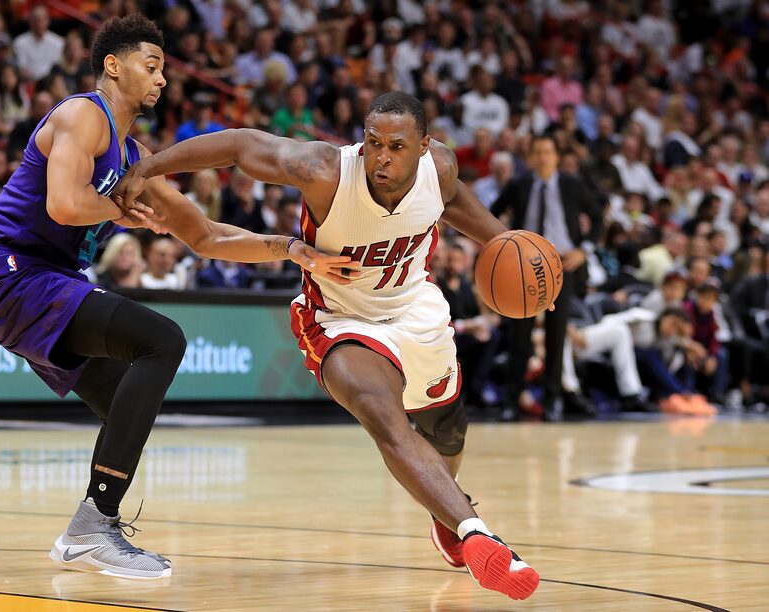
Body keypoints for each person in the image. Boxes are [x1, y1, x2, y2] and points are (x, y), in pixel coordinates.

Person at [0, 14, 347, 581]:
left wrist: (289, 248)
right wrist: (125, 212)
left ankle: (87, 533)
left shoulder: (132, 156)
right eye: (152, 65)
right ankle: (95, 524)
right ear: (113, 67)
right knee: (162, 340)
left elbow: (205, 235)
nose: (162, 78)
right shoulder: (81, 116)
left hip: (48, 280)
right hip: (10, 272)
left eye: (164, 68)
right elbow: (65, 206)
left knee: (125, 403)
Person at [117, 91, 542, 600]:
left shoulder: (441, 168)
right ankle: (479, 536)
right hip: (341, 319)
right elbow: (238, 144)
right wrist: (151, 167)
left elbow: (459, 207)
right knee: (383, 415)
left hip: (415, 309)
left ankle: (447, 516)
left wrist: (516, 253)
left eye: (396, 146)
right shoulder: (324, 171)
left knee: (446, 430)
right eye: (373, 142)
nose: (380, 157)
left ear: (423, 147)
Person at [492, 135, 602, 420]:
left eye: (547, 152)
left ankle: (553, 401)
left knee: (556, 336)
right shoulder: (519, 184)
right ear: (530, 157)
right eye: (537, 152)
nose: (542, 157)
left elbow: (598, 217)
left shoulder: (571, 184)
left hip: (562, 266)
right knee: (520, 338)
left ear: (556, 157)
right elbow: (492, 212)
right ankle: (511, 401)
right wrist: (506, 246)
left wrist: (583, 249)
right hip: (525, 267)